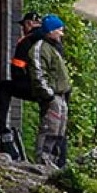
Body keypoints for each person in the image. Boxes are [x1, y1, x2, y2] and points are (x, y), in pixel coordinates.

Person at [0, 12, 42, 160]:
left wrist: (20, 81)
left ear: (28, 24)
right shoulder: (48, 39)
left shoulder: (26, 41)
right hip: (51, 88)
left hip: (32, 85)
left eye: (23, 26)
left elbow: (17, 67)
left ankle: (1, 130)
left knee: (4, 87)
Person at [28, 15, 71, 168]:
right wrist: (48, 94)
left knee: (59, 131)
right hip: (52, 96)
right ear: (50, 31)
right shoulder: (40, 48)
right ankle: (42, 162)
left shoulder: (53, 48)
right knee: (49, 129)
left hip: (61, 96)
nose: (61, 33)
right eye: (59, 30)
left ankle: (52, 162)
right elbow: (38, 73)